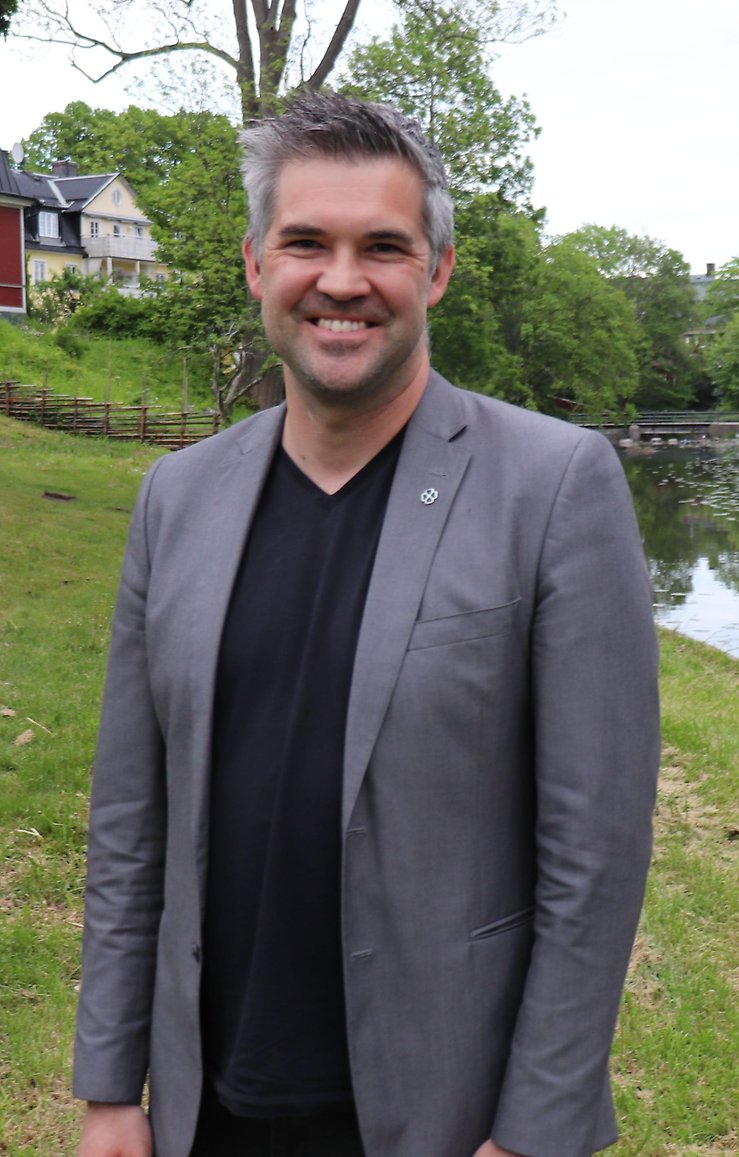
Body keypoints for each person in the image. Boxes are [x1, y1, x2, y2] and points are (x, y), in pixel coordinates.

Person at [73, 92, 660, 1157]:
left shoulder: (554, 486)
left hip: (440, 1111)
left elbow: (595, 854)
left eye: (383, 247)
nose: (341, 280)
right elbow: (129, 819)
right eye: (306, 242)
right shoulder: (176, 496)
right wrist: (111, 1087)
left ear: (436, 272)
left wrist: (533, 1131)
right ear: (257, 264)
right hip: (210, 1106)